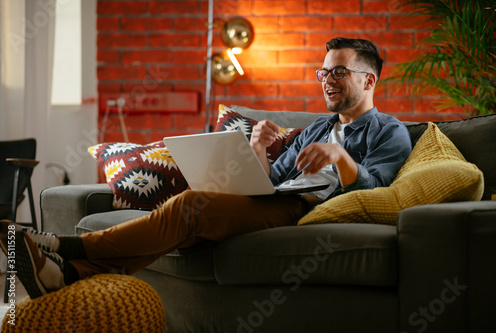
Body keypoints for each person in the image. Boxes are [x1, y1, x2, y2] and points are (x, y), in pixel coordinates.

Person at [0, 37, 412, 299]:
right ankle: (68, 275)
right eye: (324, 71)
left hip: (309, 211)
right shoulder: (316, 128)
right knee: (191, 224)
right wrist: (257, 148)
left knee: (190, 205)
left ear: (369, 81)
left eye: (339, 71)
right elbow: (270, 183)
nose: (327, 79)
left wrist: (341, 158)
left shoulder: (389, 131)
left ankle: (67, 248)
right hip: (281, 202)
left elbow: (380, 190)